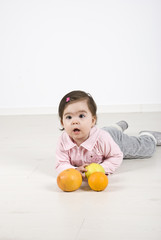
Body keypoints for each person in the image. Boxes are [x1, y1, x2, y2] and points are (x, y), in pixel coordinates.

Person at [55, 90, 161, 179]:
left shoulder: (102, 138)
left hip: (115, 141)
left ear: (92, 121)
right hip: (105, 132)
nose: (75, 121)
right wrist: (74, 170)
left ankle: (149, 137)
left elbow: (116, 156)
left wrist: (101, 169)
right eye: (69, 117)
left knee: (144, 149)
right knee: (108, 130)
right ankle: (116, 127)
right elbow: (61, 163)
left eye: (81, 116)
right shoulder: (63, 141)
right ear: (62, 123)